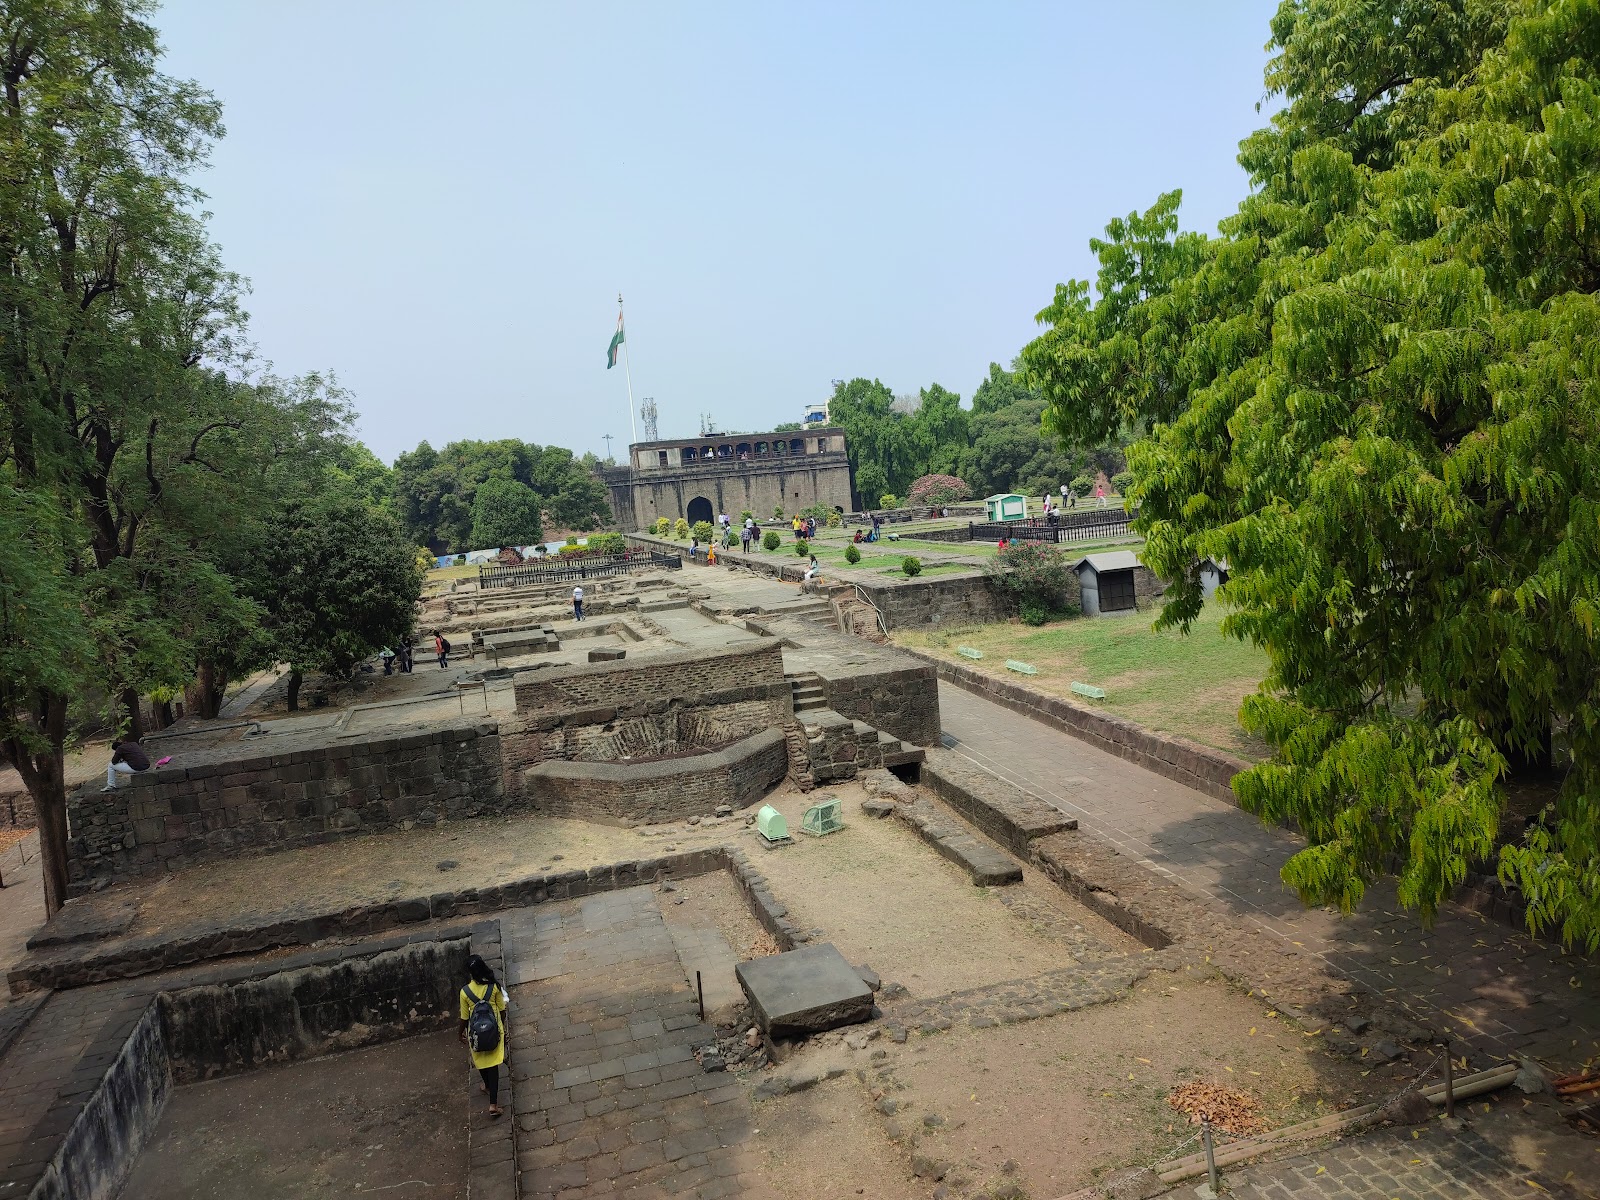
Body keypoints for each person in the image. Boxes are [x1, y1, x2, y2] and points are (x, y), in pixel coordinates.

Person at [459, 954, 509, 1119]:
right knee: (493, 1065)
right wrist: (500, 1029)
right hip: (494, 1031)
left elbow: (464, 1018)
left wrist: (460, 1033)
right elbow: (502, 1011)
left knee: (480, 1058)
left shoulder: (465, 992)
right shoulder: (493, 987)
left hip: (475, 1033)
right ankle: (493, 1104)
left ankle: (486, 1085)